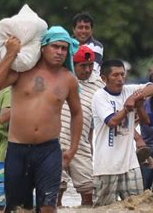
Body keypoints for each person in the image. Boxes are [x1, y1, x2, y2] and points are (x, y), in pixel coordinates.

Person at [0, 26, 83, 212]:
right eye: (55, 46)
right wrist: (10, 54)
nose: (60, 52)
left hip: (49, 151)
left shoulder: (68, 80)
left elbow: (76, 113)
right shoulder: (22, 71)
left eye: (64, 48)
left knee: (48, 206)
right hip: (17, 150)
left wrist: (73, 149)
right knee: (17, 207)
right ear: (43, 48)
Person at [91, 59, 153, 206]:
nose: (120, 79)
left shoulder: (129, 90)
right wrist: (127, 108)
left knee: (137, 205)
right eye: (115, 75)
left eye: (122, 74)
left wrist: (134, 97)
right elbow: (112, 122)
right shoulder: (100, 96)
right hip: (106, 165)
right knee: (103, 208)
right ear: (104, 78)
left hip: (130, 163)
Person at [58, 45, 105, 207]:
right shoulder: (62, 78)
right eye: (82, 66)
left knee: (88, 192)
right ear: (73, 64)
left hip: (80, 144)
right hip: (54, 142)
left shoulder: (99, 85)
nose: (87, 69)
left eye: (90, 65)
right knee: (55, 192)